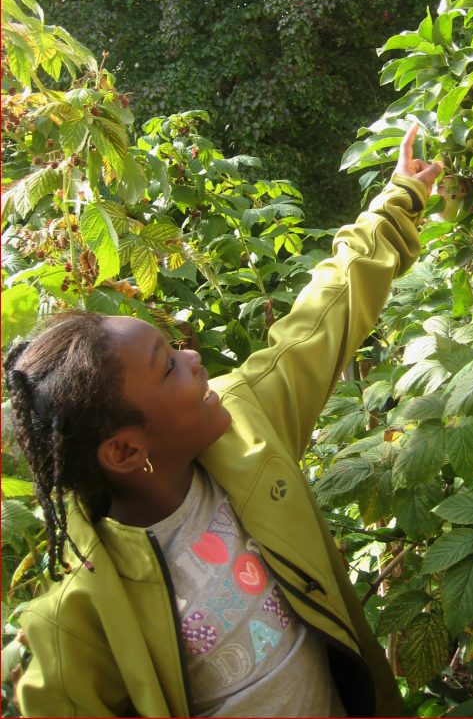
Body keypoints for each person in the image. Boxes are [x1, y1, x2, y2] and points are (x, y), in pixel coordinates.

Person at [5, 123, 443, 719]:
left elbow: (323, 317)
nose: (194, 358)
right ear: (127, 452)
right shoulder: (80, 619)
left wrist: (397, 204)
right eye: (168, 368)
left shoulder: (247, 422)